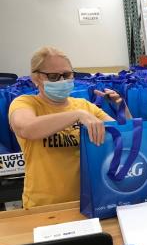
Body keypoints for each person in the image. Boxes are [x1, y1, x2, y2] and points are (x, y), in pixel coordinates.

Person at [9, 46, 128, 209]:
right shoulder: (25, 103)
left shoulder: (84, 106)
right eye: (53, 76)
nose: (62, 81)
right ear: (36, 78)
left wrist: (122, 107)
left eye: (66, 75)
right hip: (44, 207)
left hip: (88, 201)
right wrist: (76, 115)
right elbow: (26, 128)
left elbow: (125, 135)